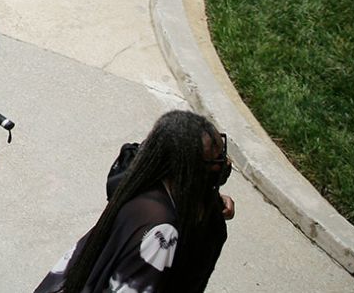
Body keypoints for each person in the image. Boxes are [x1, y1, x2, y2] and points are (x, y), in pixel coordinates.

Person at [33, 111, 233, 293]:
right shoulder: (161, 232)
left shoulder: (139, 179)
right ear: (186, 171)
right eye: (214, 161)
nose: (224, 164)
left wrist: (211, 202)